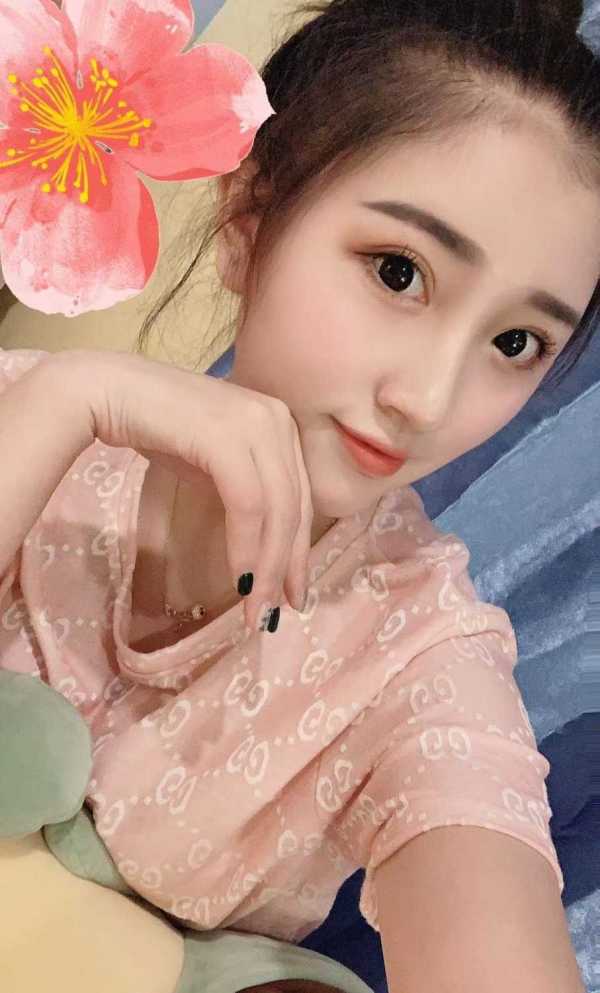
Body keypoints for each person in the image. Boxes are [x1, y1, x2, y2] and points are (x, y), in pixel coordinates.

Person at [1, 0, 599, 990]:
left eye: (515, 343)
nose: (427, 400)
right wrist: (72, 398)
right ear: (249, 219)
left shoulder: (419, 660)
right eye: (399, 272)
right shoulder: (37, 417)